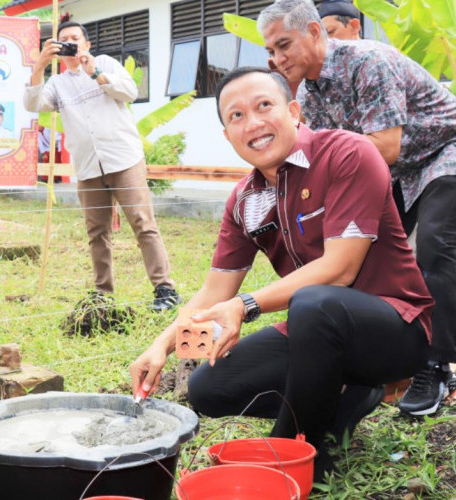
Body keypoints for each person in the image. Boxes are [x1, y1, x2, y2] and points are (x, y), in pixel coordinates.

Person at [130, 67, 433, 481]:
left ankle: (299, 450)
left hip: (396, 328)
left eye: (264, 106)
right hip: (315, 333)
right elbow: (215, 290)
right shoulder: (244, 200)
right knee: (207, 388)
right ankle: (347, 400)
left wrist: (246, 305)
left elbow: (339, 269)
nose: (252, 123)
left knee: (313, 303)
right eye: (236, 116)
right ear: (227, 135)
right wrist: (159, 347)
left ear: (294, 111)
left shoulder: (347, 153)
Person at [259, 0, 456, 416]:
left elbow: (384, 145)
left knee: (434, 247)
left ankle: (435, 367)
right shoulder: (309, 94)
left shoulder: (369, 61)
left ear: (315, 33)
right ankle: (372, 363)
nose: (277, 60)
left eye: (283, 46)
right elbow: (316, 155)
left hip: (442, 152)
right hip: (395, 171)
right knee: (360, 252)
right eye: (270, 53)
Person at [23, 21, 182, 311]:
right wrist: (39, 66)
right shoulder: (57, 83)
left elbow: (129, 92)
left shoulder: (106, 63)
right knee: (97, 233)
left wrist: (94, 71)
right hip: (87, 168)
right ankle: (103, 294)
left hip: (123, 159)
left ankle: (165, 290)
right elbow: (34, 105)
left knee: (143, 224)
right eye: (63, 41)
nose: (70, 44)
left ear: (87, 43)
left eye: (75, 39)